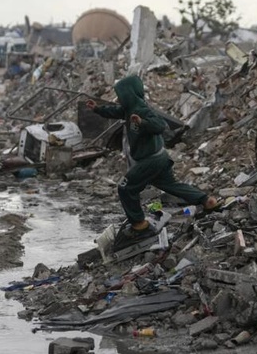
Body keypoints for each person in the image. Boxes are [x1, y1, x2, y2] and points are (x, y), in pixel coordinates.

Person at [86, 75, 218, 244]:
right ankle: (207, 200)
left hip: (151, 160)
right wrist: (97, 109)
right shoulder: (129, 108)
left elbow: (160, 126)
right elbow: (115, 111)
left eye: (120, 95)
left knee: (125, 188)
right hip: (160, 157)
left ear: (128, 94)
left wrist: (142, 122)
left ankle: (139, 225)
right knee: (171, 185)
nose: (118, 98)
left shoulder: (141, 109)